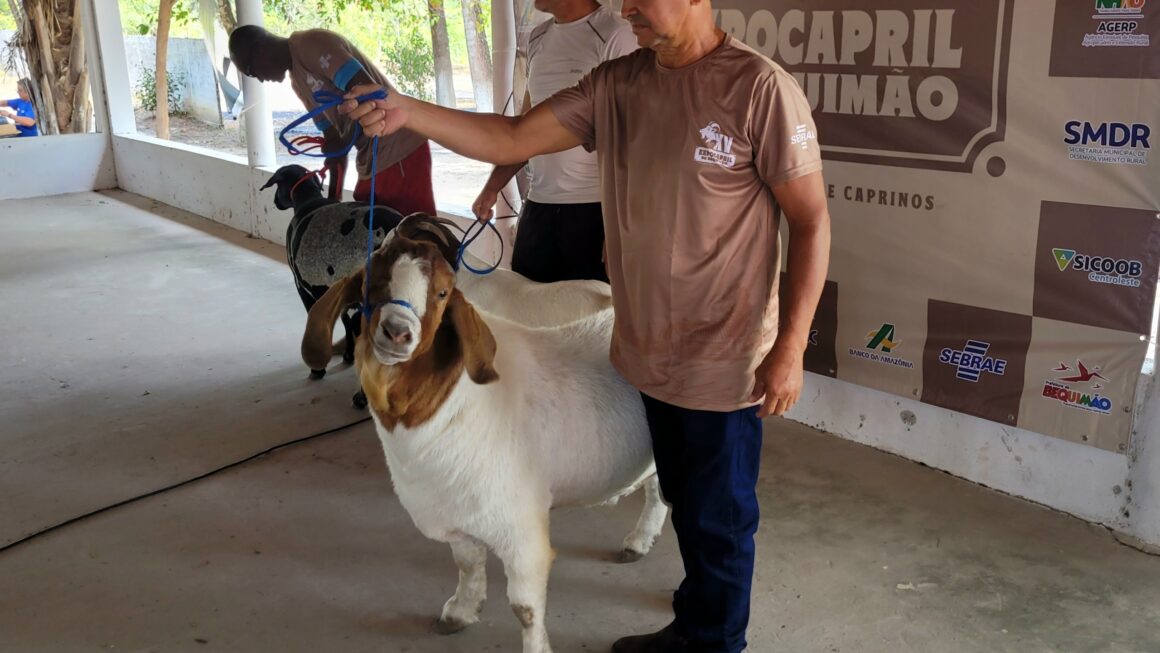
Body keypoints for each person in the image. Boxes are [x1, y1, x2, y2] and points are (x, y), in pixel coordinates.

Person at [343, 0, 832, 646]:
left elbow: (811, 222)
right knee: (688, 499)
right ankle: (699, 617)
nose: (626, 8)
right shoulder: (619, 84)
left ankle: (716, 639)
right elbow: (513, 137)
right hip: (644, 351)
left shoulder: (759, 89)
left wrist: (791, 347)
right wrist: (410, 111)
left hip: (723, 357)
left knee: (721, 514)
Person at [472, 0, 636, 283]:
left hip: (594, 212)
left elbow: (632, 143)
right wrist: (492, 186)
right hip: (539, 207)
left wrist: (617, 230)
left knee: (588, 322)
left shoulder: (615, 35)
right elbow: (524, 130)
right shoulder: (537, 38)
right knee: (527, 313)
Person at [229, 26, 436, 215]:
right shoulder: (298, 83)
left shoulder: (310, 44)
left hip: (398, 147)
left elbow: (369, 93)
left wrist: (341, 142)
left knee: (418, 238)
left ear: (260, 52)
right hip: (373, 158)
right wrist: (330, 205)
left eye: (251, 72)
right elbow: (334, 142)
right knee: (378, 238)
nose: (260, 79)